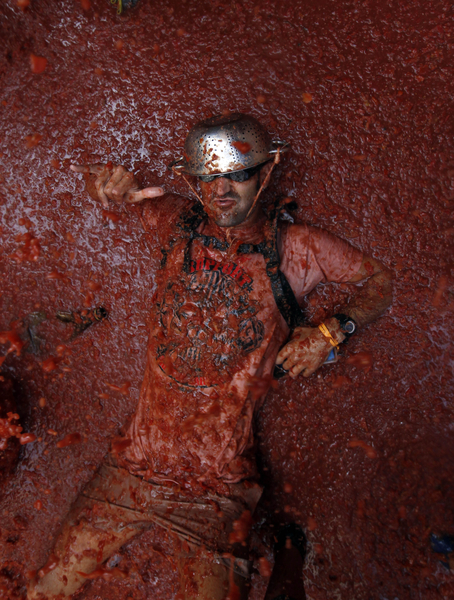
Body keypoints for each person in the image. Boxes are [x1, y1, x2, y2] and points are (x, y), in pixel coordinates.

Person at [27, 113, 392, 600]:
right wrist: (108, 186)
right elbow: (112, 187)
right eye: (207, 177)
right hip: (134, 464)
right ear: (193, 181)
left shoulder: (298, 249)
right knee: (42, 593)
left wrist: (330, 331)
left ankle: (289, 551)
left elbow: (380, 282)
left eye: (237, 175)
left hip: (215, 487)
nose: (221, 191)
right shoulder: (175, 220)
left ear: (265, 174)